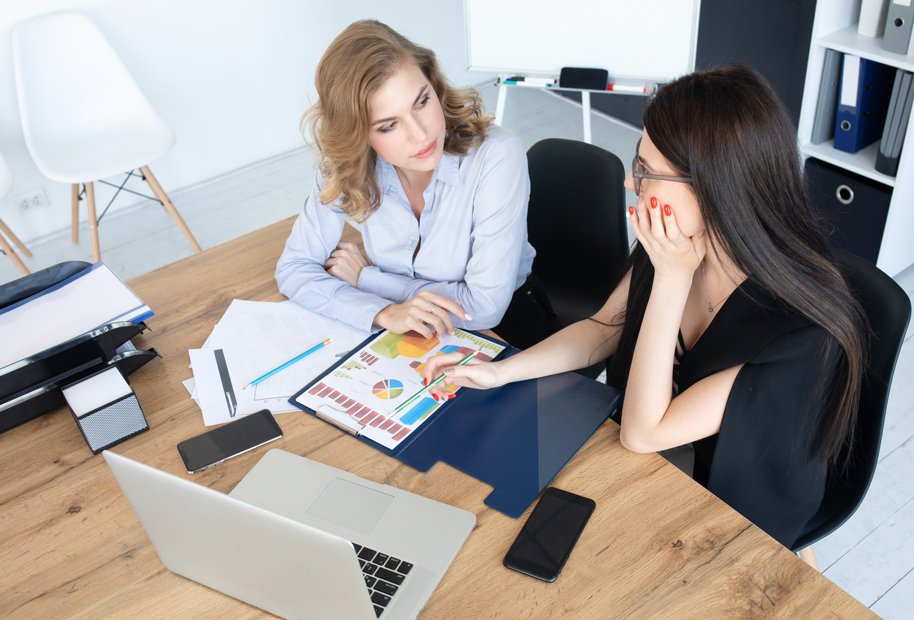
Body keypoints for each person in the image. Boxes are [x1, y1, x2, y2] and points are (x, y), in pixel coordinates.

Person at [424, 64, 867, 550]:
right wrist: (502, 372)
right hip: (650, 466)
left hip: (729, 516)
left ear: (715, 186)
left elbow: (644, 432)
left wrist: (674, 282)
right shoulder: (678, 244)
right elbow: (603, 327)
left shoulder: (797, 336)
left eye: (646, 173)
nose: (633, 186)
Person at [276, 20, 556, 346]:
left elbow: (484, 308)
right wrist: (383, 313)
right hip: (407, 333)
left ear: (433, 84)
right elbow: (294, 267)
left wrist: (367, 280)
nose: (421, 134)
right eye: (389, 125)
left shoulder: (496, 156)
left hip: (509, 333)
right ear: (358, 134)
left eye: (421, 102)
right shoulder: (350, 165)